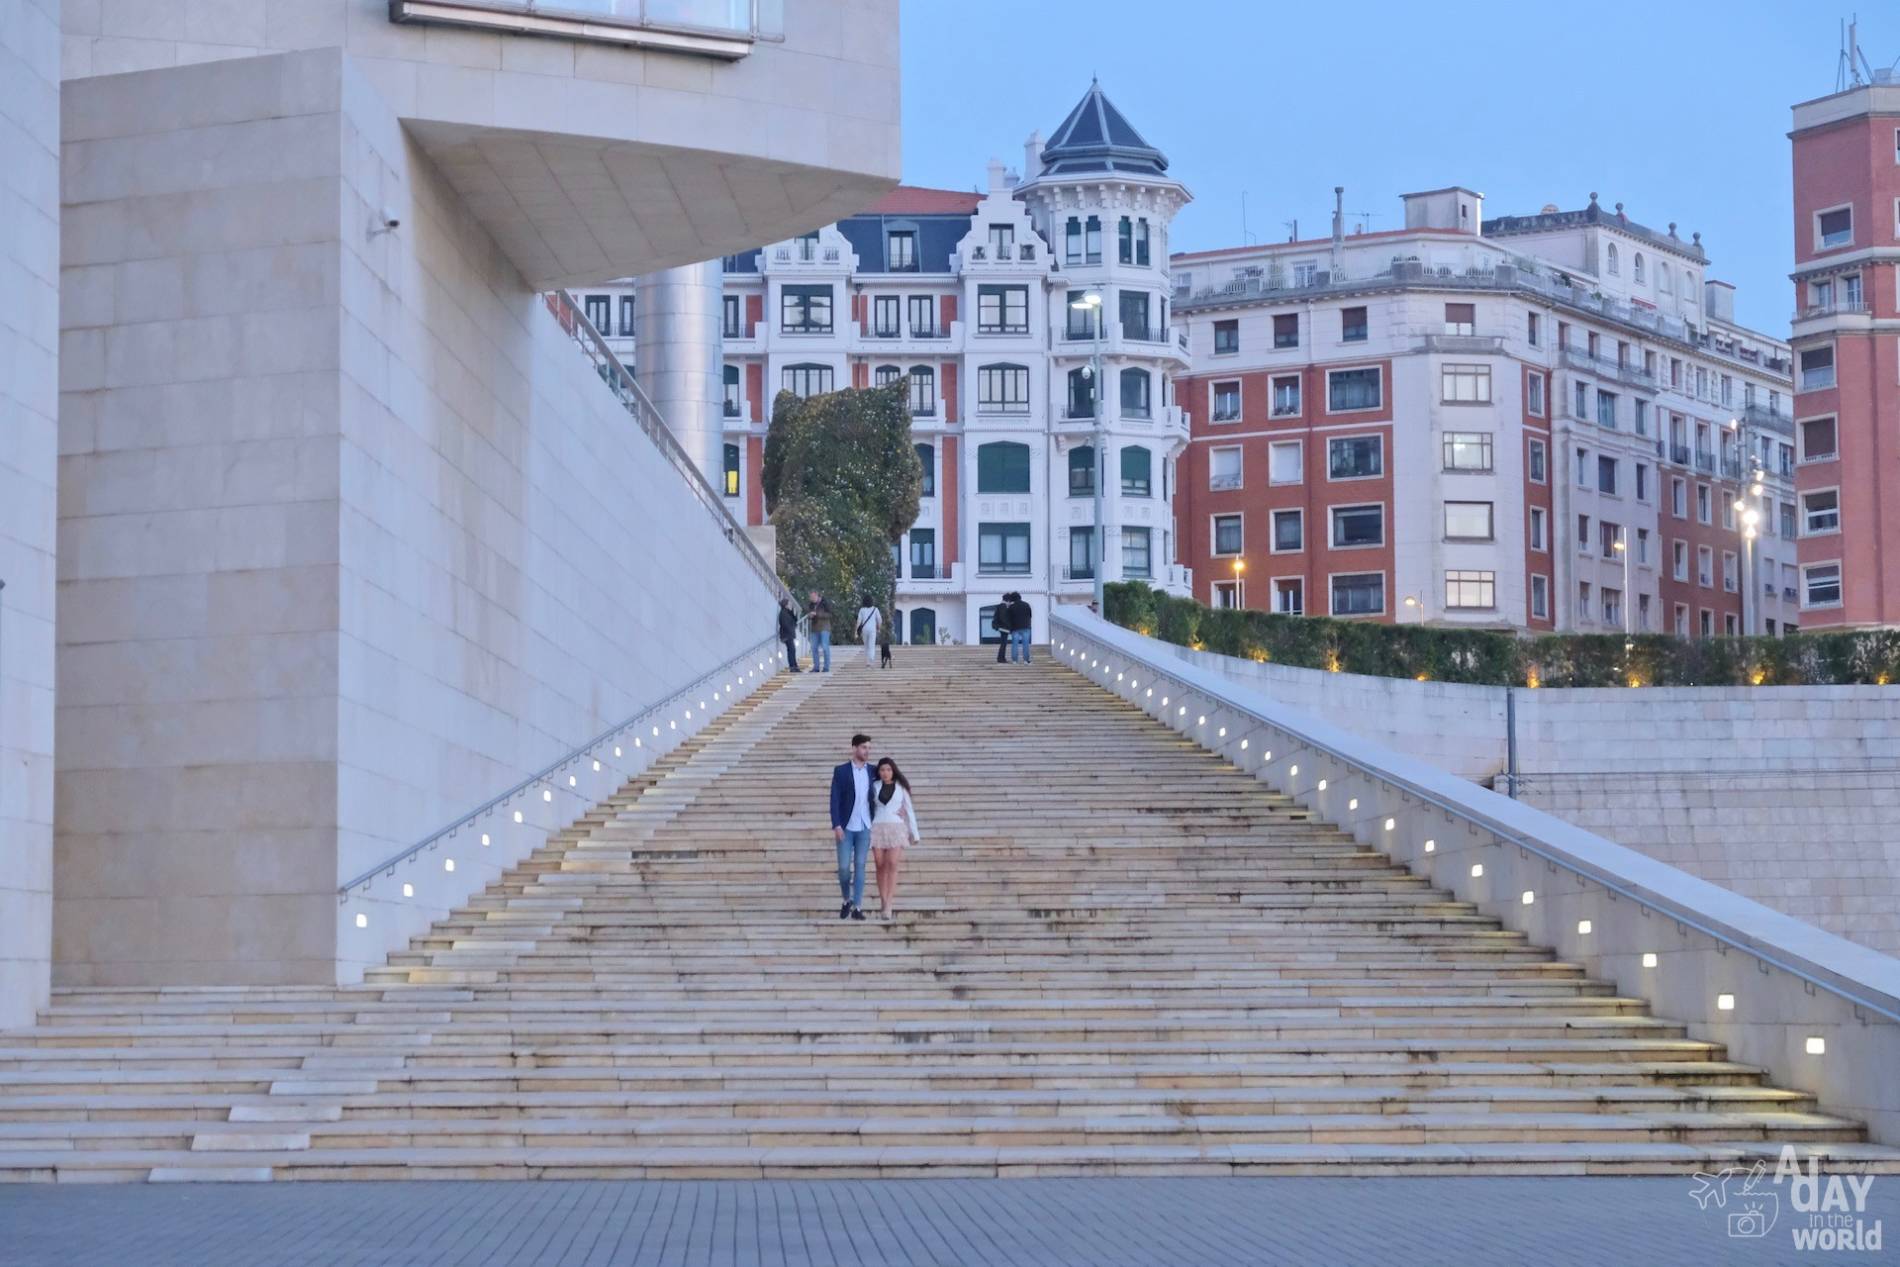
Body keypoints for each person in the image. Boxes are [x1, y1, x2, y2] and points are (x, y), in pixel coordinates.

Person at [828, 733, 874, 920]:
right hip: (846, 826)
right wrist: (836, 824)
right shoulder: (841, 771)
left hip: (865, 825)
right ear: (854, 748)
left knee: (861, 865)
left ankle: (858, 906)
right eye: (864, 748)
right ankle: (846, 899)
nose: (867, 751)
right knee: (844, 867)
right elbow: (835, 799)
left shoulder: (873, 771)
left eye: (869, 748)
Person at [868, 756, 920, 920]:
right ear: (879, 772)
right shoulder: (874, 786)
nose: (885, 773)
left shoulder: (901, 787)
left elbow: (909, 809)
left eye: (888, 770)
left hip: (896, 827)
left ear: (893, 771)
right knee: (879, 864)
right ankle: (883, 900)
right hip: (877, 827)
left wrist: (914, 833)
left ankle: (889, 902)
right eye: (882, 770)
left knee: (892, 863)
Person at [807, 590, 833, 673]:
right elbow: (809, 614)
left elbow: (830, 614)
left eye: (813, 597)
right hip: (814, 629)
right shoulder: (811, 604)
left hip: (824, 628)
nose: (812, 599)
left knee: (825, 647)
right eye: (811, 597)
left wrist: (818, 614)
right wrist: (810, 616)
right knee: (814, 648)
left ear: (817, 596)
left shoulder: (825, 603)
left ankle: (826, 667)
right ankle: (816, 667)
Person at [855, 594, 881, 668]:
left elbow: (859, 621)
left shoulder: (862, 610)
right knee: (871, 645)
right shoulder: (875, 609)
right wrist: (879, 628)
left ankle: (867, 662)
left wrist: (856, 631)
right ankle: (871, 659)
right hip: (872, 629)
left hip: (864, 630)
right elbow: (879, 620)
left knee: (866, 645)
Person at [1008, 591, 1033, 664]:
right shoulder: (1026, 605)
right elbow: (1030, 615)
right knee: (1025, 644)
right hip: (1026, 627)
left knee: (1015, 644)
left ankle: (1014, 660)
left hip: (1015, 628)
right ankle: (1026, 660)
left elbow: (1009, 618)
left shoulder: (1011, 607)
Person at [777, 597, 801, 672]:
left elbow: (794, 620)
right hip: (787, 635)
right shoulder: (783, 613)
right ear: (786, 604)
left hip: (788, 634)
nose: (790, 605)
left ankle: (794, 666)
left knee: (792, 650)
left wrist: (792, 612)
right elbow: (785, 624)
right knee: (791, 650)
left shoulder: (787, 612)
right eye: (789, 604)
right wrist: (791, 630)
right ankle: (793, 666)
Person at [992, 594, 1013, 664]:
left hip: (1001, 627)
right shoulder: (1003, 606)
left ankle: (1001, 658)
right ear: (1008, 600)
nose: (1010, 603)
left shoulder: (1000, 606)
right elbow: (1003, 618)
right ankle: (1001, 658)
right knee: (1003, 643)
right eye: (1010, 601)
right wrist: (1009, 626)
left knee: (1003, 643)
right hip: (1003, 628)